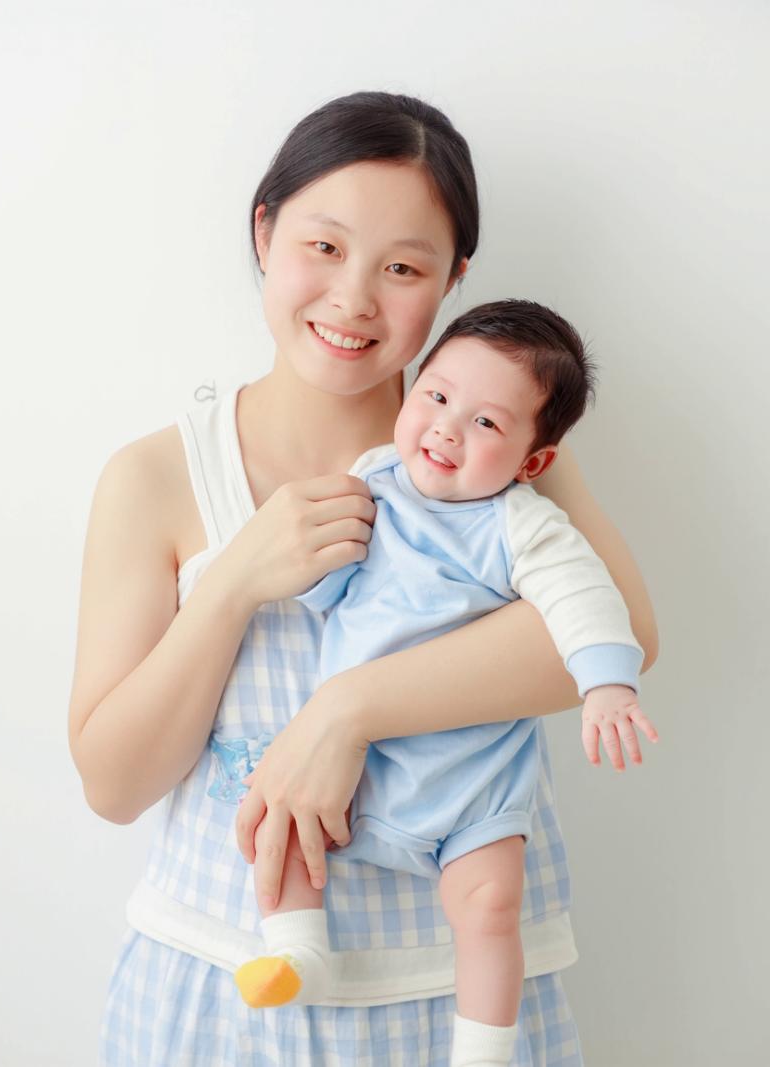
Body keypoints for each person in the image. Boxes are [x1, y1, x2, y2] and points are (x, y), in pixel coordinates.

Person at [68, 91, 658, 1066]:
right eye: (324, 246)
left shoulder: (495, 453)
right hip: (223, 993)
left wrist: (342, 712)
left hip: (459, 1006)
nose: (352, 299)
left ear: (453, 280)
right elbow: (114, 781)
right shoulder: (159, 476)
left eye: (402, 268)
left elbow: (618, 635)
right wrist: (234, 581)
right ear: (264, 232)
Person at [233, 300, 658, 1065]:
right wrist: (306, 571)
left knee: (491, 905)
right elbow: (329, 584)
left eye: (486, 422)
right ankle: (298, 951)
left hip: (473, 783)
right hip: (353, 766)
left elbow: (585, 597)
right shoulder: (372, 481)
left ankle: (484, 1045)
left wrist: (607, 684)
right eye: (435, 396)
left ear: (532, 463)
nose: (447, 429)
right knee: (283, 822)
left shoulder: (522, 524)